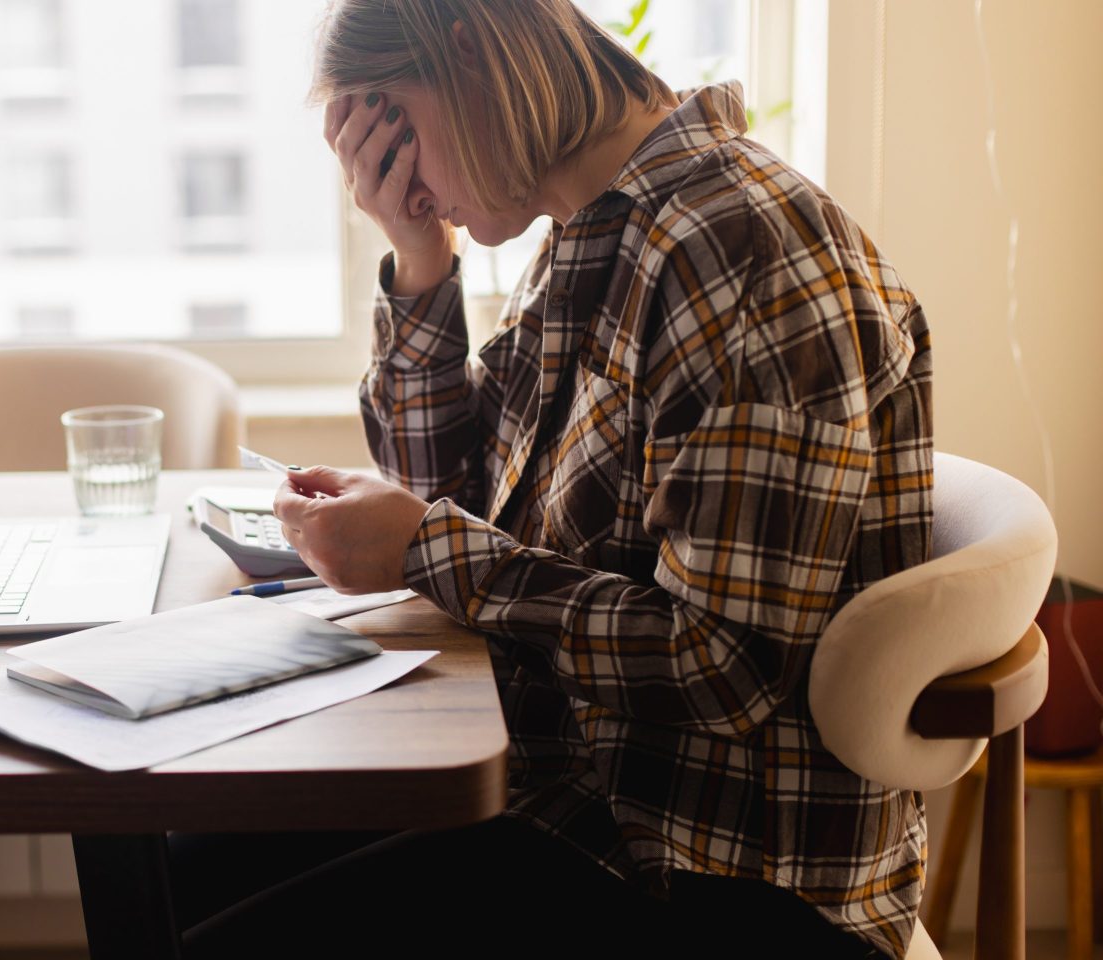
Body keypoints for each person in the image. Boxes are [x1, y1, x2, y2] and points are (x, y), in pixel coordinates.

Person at [168, 1, 932, 957]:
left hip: (711, 874)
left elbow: (720, 668)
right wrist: (418, 255)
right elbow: (470, 500)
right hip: (579, 791)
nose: (393, 177)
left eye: (396, 129)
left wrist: (422, 547)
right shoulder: (595, 230)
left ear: (474, 55)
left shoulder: (746, 253)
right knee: (170, 860)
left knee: (199, 924)